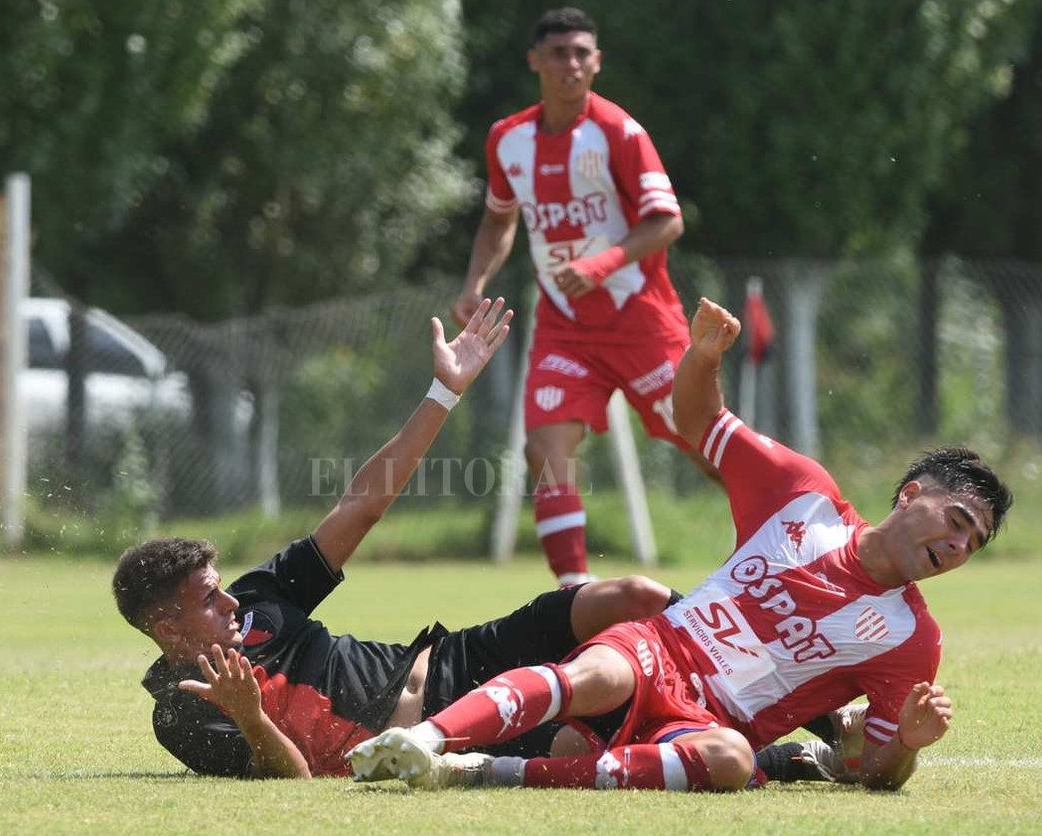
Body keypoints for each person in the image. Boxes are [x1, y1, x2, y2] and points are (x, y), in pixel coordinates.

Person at [348, 299, 1013, 793]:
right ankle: (420, 738)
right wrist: (702, 357)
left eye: (971, 543)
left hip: (707, 720)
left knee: (727, 761)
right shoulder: (802, 495)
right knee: (593, 678)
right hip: (659, 647)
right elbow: (697, 419)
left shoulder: (910, 639)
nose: (956, 544)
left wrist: (905, 745)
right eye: (955, 519)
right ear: (910, 492)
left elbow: (869, 771)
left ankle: (485, 772)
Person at [113, 297, 682, 779]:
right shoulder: (182, 713)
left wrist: (443, 393)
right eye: (209, 600)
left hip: (453, 658)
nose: (231, 602)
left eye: (221, 588)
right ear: (167, 628)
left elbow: (360, 509)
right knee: (596, 744)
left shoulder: (257, 602)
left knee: (632, 598)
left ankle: (741, 640)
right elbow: (295, 776)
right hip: (432, 740)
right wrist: (250, 714)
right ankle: (765, 758)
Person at [454, 6, 713, 588]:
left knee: (706, 443)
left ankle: (791, 534)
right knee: (545, 448)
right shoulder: (507, 140)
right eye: (558, 53)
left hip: (640, 319)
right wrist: (474, 285)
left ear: (596, 62)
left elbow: (666, 222)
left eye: (581, 54)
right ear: (535, 62)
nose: (571, 64)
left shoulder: (620, 132)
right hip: (564, 326)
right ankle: (573, 596)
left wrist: (601, 263)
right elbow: (499, 223)